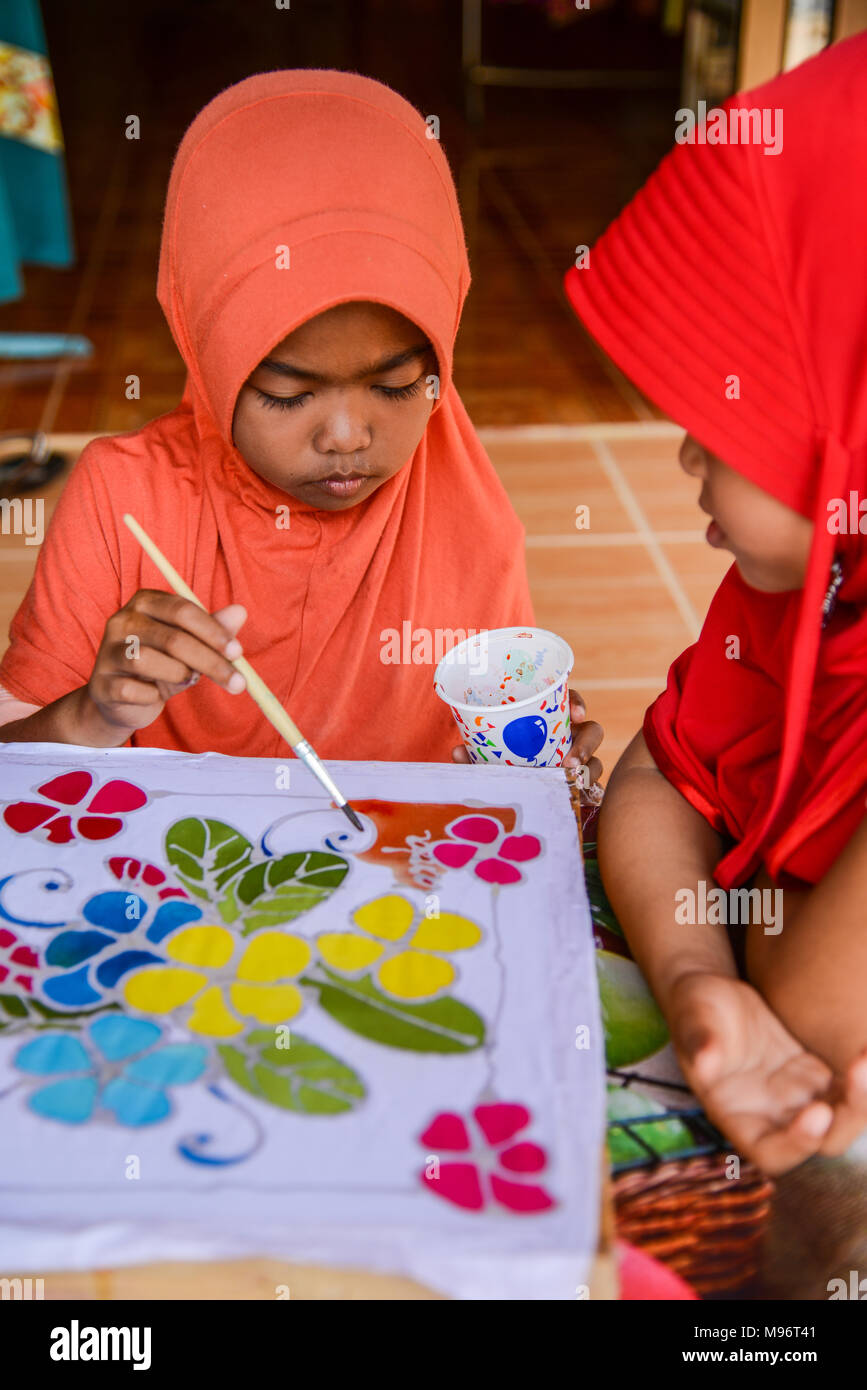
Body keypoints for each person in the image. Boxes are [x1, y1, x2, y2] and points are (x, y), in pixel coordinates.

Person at [0, 68, 602, 775]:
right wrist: (90, 715)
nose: (345, 436)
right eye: (287, 394)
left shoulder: (464, 507)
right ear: (210, 360)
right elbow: (14, 771)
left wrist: (542, 768)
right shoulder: (123, 499)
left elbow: (489, 740)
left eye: (394, 383)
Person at [565, 33, 867, 1174]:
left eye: (743, 408)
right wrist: (695, 969)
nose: (692, 446)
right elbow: (656, 774)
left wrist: (735, 973)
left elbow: (821, 1021)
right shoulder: (805, 593)